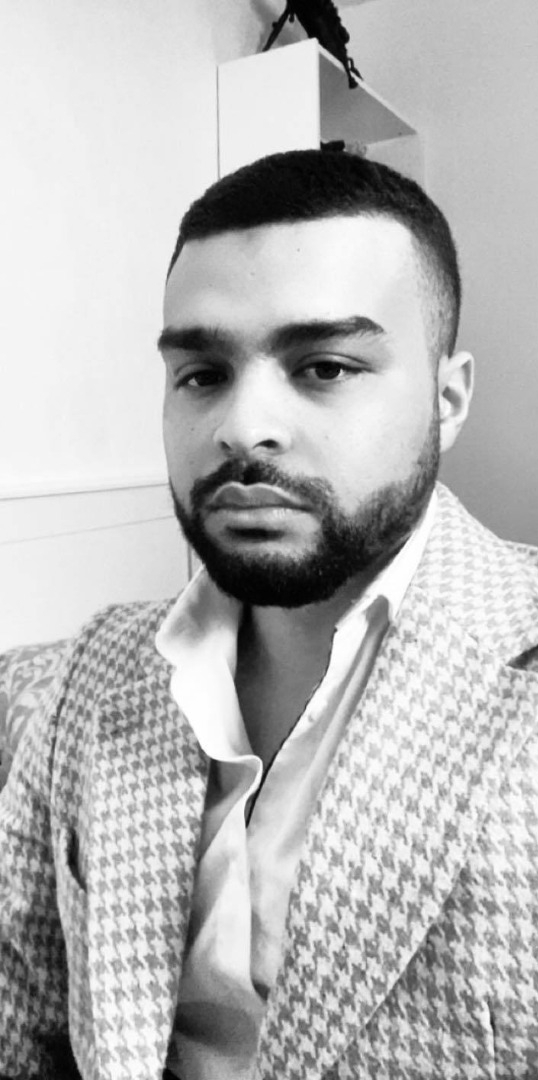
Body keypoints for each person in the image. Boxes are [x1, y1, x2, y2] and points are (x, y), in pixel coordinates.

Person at [1, 149, 537, 1080]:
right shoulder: (92, 673)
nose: (243, 428)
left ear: (448, 399)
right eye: (202, 373)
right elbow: (23, 1010)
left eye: (325, 367)